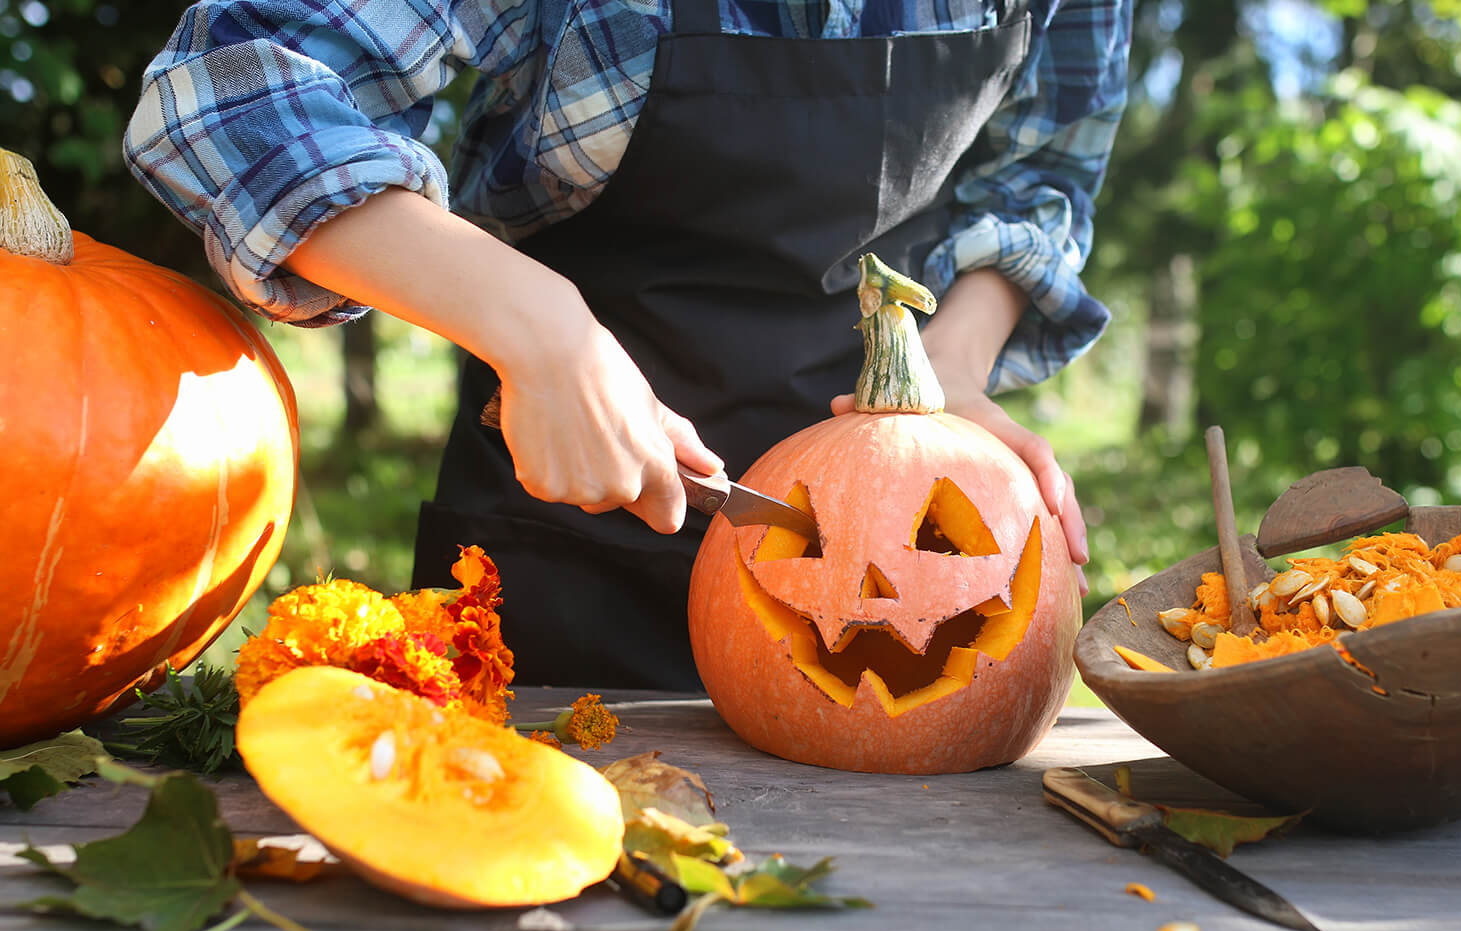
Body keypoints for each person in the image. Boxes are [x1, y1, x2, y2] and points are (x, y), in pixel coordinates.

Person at [126, 0, 1131, 691]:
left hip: (898, 497)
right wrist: (536, 328)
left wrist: (950, 367)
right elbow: (227, 91)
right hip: (559, 522)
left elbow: (1043, 170)